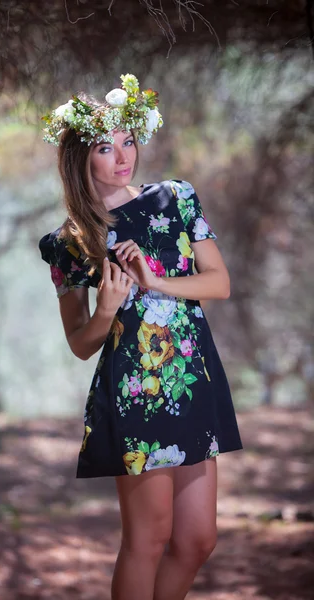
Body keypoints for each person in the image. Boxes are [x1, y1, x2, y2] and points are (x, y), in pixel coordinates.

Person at [38, 74, 243, 600]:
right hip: (136, 392)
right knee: (148, 540)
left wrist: (156, 281)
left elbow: (218, 282)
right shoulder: (70, 242)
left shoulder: (176, 198)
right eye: (105, 148)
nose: (122, 156)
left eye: (127, 140)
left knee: (198, 539)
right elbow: (81, 344)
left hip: (192, 379)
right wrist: (106, 309)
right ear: (82, 156)